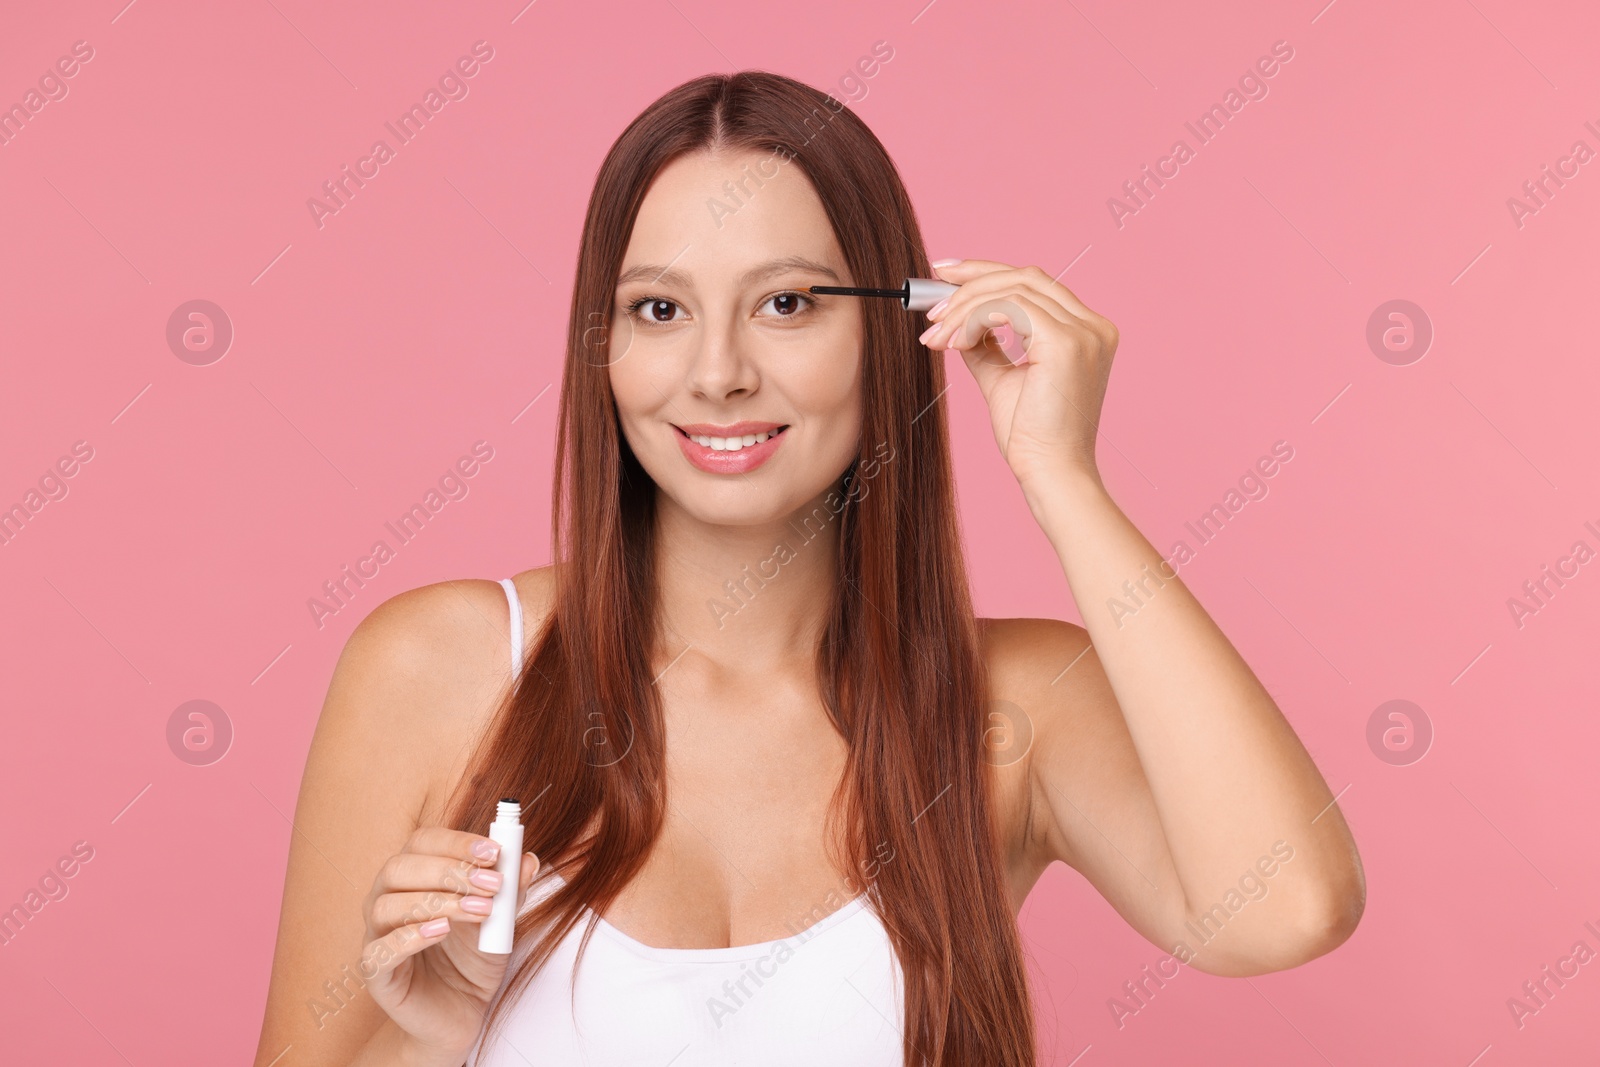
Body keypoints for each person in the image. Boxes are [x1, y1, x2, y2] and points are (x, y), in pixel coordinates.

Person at [253, 70, 1364, 1067]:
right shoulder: (445, 667)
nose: (720, 371)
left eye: (785, 303)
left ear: (898, 330)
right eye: (660, 309)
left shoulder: (1016, 708)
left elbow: (1286, 908)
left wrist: (1063, 480)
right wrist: (431, 1041)